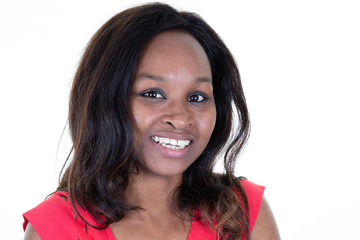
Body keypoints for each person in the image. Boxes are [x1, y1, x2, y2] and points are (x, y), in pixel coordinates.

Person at [23, 3, 280, 240]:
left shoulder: (240, 214)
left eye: (197, 97)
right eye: (153, 94)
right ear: (107, 100)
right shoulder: (55, 228)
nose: (180, 119)